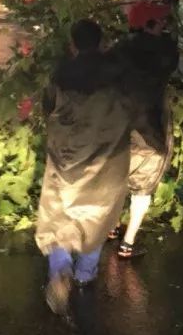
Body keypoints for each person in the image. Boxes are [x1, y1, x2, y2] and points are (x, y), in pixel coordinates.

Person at [36, 18, 132, 314]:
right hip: (108, 159)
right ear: (101, 42)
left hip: (67, 159)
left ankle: (60, 270)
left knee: (59, 216)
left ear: (73, 44)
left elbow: (48, 107)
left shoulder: (62, 74)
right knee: (98, 218)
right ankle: (85, 274)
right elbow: (133, 108)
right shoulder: (118, 75)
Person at [109, 0, 179, 259]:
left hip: (117, 128)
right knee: (143, 188)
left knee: (117, 180)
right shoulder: (161, 53)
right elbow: (171, 59)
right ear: (150, 25)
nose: (164, 25)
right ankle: (128, 243)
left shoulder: (118, 50)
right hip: (148, 129)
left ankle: (112, 228)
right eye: (160, 21)